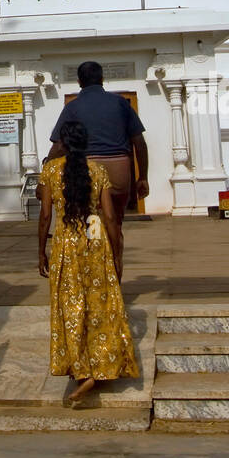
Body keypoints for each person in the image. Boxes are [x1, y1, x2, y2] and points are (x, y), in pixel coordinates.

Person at [37, 119, 139, 407]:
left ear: (64, 144)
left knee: (71, 307)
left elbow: (46, 216)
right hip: (94, 236)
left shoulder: (51, 171)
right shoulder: (97, 171)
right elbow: (106, 216)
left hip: (65, 242)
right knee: (101, 305)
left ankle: (82, 370)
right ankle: (102, 365)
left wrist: (40, 251)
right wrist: (116, 251)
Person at [42, 61, 149, 241]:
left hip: (86, 170)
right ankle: (116, 262)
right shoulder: (121, 103)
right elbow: (139, 143)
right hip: (119, 170)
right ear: (102, 79)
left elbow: (59, 146)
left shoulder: (72, 107)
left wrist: (44, 175)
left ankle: (96, 259)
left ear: (79, 82)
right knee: (115, 222)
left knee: (92, 222)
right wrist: (143, 177)